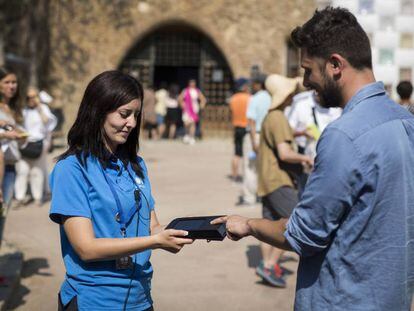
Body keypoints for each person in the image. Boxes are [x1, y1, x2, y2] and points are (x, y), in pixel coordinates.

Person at [213, 7, 414, 310]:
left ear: (335, 65)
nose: (306, 82)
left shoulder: (343, 136)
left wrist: (249, 225)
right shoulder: (405, 121)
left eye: (308, 70)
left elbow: (303, 235)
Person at [49, 71, 193, 310]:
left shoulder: (137, 165)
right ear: (98, 111)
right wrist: (155, 241)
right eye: (124, 114)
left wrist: (187, 230)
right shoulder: (72, 169)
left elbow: (152, 226)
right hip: (94, 301)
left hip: (141, 299)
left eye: (136, 115)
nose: (132, 124)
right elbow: (86, 248)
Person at [255, 74, 313, 288]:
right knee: (294, 222)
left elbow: (280, 137)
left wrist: (299, 132)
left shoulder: (271, 117)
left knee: (268, 224)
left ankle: (266, 263)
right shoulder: (278, 117)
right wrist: (307, 158)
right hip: (278, 180)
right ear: (286, 95)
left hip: (266, 180)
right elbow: (285, 153)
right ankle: (269, 265)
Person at [286, 88, 341, 195]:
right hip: (306, 159)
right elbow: (287, 131)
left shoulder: (336, 107)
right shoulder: (301, 105)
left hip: (330, 157)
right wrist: (302, 133)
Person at [14, 87, 57, 207]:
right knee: (22, 171)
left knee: (36, 172)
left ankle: (37, 197)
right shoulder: (24, 111)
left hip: (38, 144)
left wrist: (39, 107)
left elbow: (47, 123)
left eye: (33, 96)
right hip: (25, 143)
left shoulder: (43, 109)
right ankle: (19, 197)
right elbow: (19, 124)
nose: (31, 99)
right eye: (29, 97)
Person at [237, 75, 271, 205]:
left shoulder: (254, 99)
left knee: (250, 168)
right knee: (264, 167)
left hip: (255, 135)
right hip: (267, 135)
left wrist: (253, 142)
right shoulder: (270, 98)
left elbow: (251, 121)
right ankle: (262, 195)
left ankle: (249, 198)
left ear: (258, 84)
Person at [229, 78, 250, 182]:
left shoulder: (233, 98)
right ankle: (246, 176)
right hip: (246, 127)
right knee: (247, 153)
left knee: (237, 153)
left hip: (237, 126)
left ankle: (234, 175)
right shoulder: (249, 98)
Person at [178, 79, 206, 145]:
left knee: (192, 123)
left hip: (194, 109)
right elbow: (180, 98)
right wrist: (182, 104)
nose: (192, 84)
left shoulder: (197, 91)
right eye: (191, 83)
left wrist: (202, 105)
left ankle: (191, 137)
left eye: (193, 83)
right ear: (189, 83)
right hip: (187, 109)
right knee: (186, 123)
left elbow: (203, 99)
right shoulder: (185, 90)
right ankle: (187, 134)